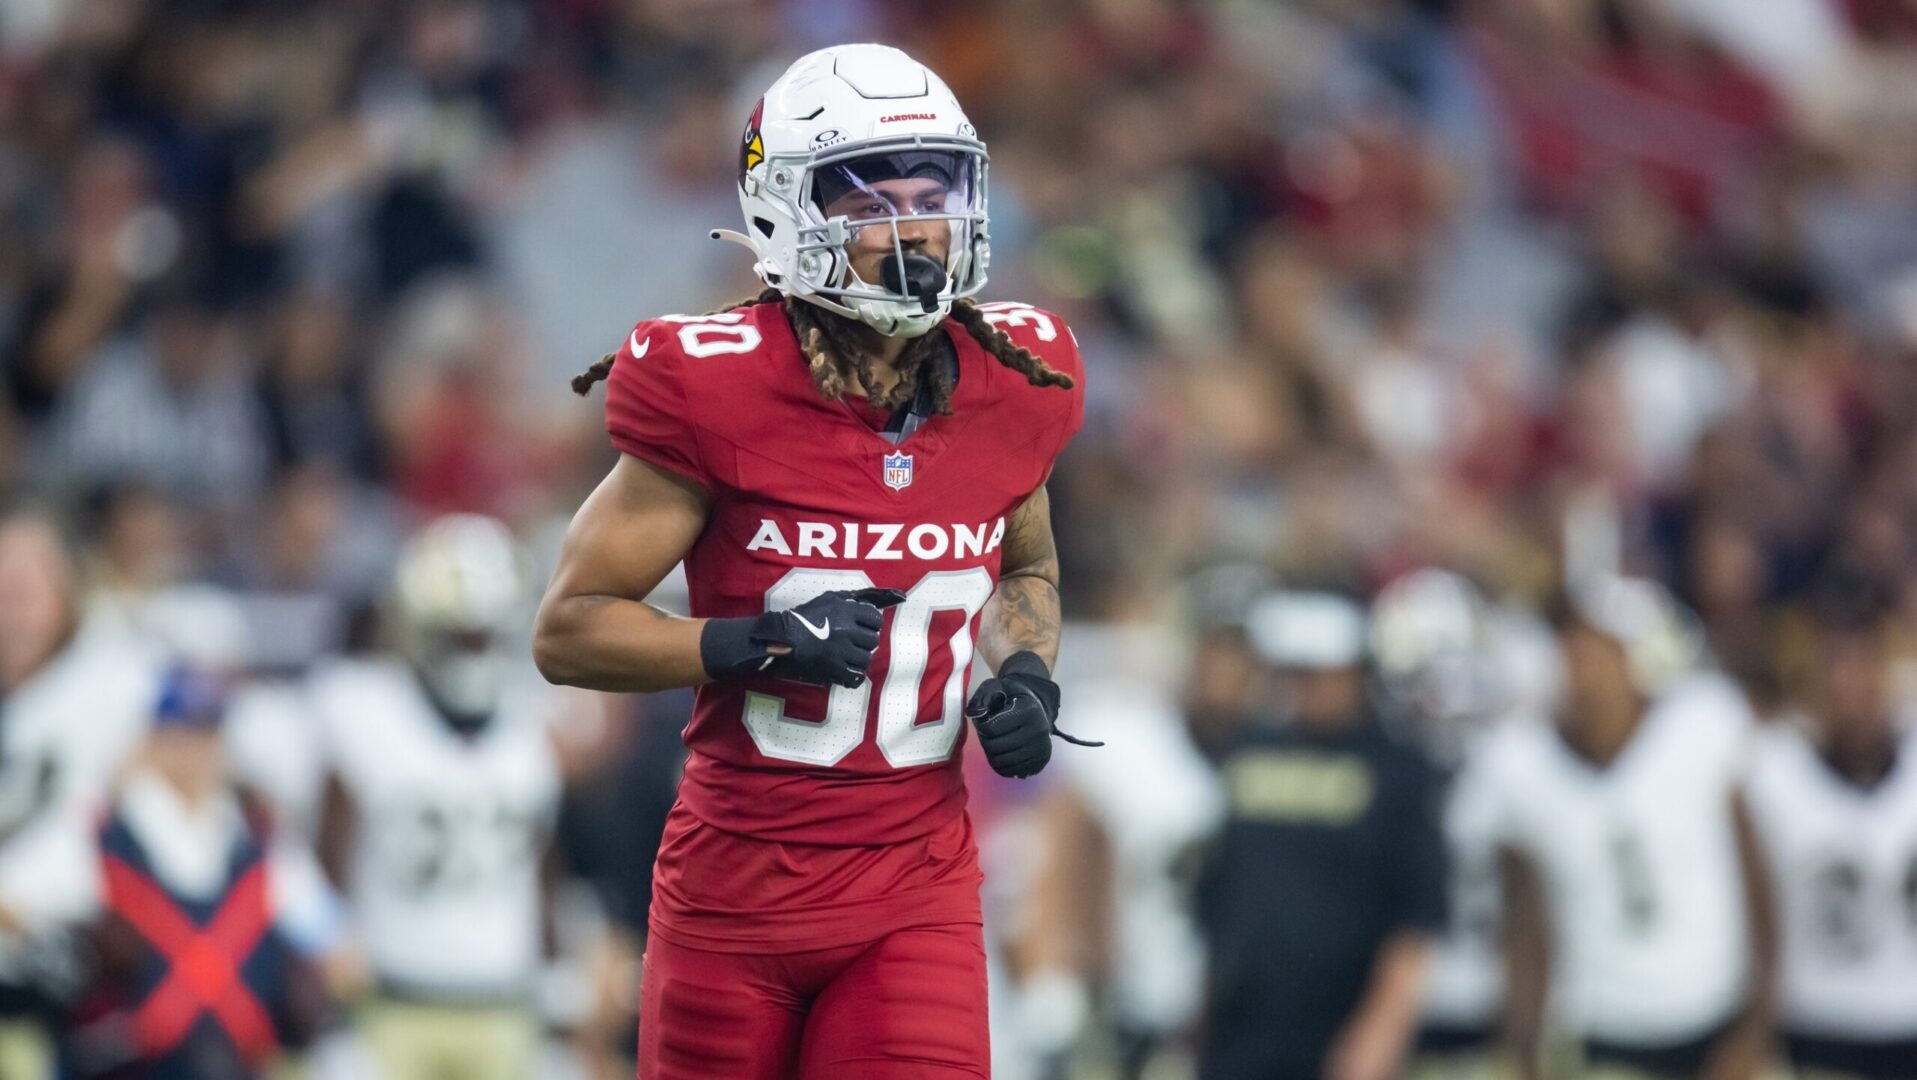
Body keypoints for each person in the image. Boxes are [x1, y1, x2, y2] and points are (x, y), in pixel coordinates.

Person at [532, 43, 1089, 1080]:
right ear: (788, 210)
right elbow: (566, 629)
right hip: (731, 897)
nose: (915, 224)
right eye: (875, 198)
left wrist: (1025, 675)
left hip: (914, 891)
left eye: (936, 191)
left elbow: (1024, 568)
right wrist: (754, 644)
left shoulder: (1018, 383)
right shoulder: (716, 387)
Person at [1488, 576, 1777, 1080]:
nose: (1581, 666)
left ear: (1637, 660)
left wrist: (1755, 1029)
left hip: (1713, 1018)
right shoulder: (1523, 766)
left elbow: (1759, 883)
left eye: (1598, 649)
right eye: (1570, 646)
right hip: (1600, 1032)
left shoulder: (1701, 727)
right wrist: (1524, 1051)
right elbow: (1525, 927)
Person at [0, 665, 344, 1080]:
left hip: (232, 1063)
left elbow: (336, 945)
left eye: (206, 733)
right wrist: (70, 950)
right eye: (178, 733)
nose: (193, 752)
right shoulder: (97, 831)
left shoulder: (257, 835)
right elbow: (13, 900)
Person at [312, 515, 561, 1080]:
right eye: (458, 634)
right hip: (389, 999)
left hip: (504, 998)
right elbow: (321, 858)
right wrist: (326, 949)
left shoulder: (534, 718)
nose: (473, 650)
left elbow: (542, 863)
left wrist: (557, 974)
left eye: (483, 633)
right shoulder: (363, 709)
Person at [1196, 589, 1446, 1080]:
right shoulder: (1247, 751)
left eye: (1316, 672)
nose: (1301, 687)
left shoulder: (1398, 770)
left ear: (1356, 672)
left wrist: (1379, 1034)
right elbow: (1223, 899)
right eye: (1292, 671)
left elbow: (1414, 922)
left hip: (1340, 1028)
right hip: (1242, 1030)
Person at [0, 510, 163, 1078]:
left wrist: (18, 894)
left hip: (80, 983)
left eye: (28, 580)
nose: (11, 599)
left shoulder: (118, 684)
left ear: (68, 591)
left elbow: (102, 820)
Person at [1745, 598, 1917, 1079]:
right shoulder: (1769, 770)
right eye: (1832, 670)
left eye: (1863, 667)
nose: (1848, 688)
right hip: (1818, 1021)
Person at [1368, 569, 1517, 1080]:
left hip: (1494, 1013)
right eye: (1424, 681)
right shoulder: (1374, 778)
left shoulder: (1516, 771)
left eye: (1454, 678)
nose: (1442, 700)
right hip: (1387, 1017)